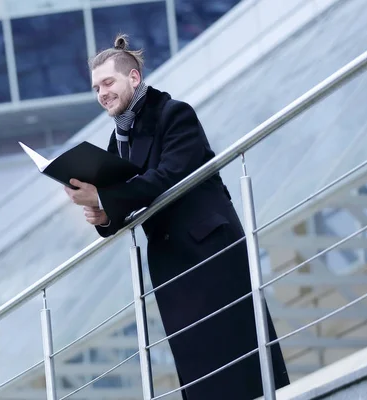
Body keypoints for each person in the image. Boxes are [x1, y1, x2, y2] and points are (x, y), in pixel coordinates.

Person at [64, 34, 290, 399]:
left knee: (239, 351)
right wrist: (100, 212)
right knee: (198, 364)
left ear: (133, 78)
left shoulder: (174, 113)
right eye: (95, 88)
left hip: (208, 249)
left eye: (108, 82)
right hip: (172, 263)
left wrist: (105, 195)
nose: (101, 93)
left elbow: (166, 177)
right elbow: (120, 214)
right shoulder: (118, 140)